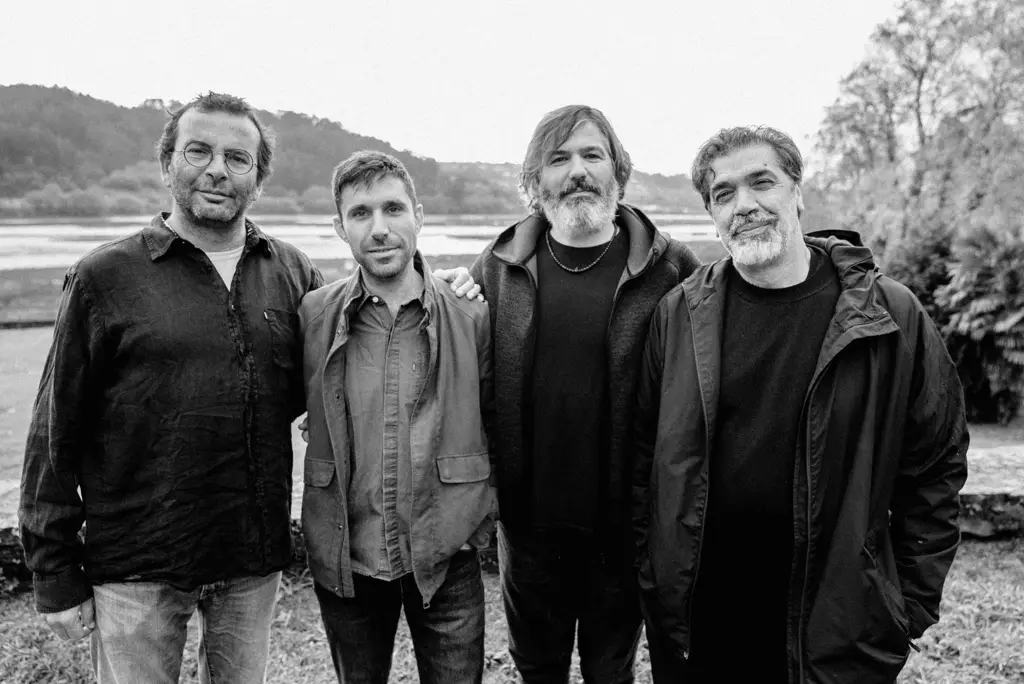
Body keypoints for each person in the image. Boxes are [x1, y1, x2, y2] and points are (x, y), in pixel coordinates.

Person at [632, 126, 969, 684]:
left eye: (762, 182)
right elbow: (643, 463)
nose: (745, 204)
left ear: (797, 191)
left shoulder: (888, 315)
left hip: (838, 624)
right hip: (703, 625)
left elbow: (935, 466)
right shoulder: (679, 316)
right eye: (724, 193)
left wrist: (905, 604)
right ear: (712, 214)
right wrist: (655, 580)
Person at [19, 92, 322, 683]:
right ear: (167, 165)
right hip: (136, 562)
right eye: (198, 151)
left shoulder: (292, 271)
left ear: (258, 180)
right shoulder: (103, 277)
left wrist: (439, 287)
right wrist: (53, 569)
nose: (217, 170)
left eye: (238, 158)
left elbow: (335, 371)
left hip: (250, 557)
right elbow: (55, 428)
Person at [440, 104, 701, 683]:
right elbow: (458, 357)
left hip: (624, 526)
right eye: (559, 158)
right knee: (538, 668)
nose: (577, 170)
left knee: (611, 670)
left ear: (618, 172)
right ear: (535, 181)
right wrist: (449, 288)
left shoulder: (671, 268)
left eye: (592, 155)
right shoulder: (498, 266)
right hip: (529, 527)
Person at [298, 150, 495, 684]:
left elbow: (497, 423)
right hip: (348, 554)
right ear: (340, 228)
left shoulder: (471, 313)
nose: (380, 228)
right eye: (360, 213)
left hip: (447, 554)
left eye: (393, 208)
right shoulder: (313, 315)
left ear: (418, 216)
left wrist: (480, 522)